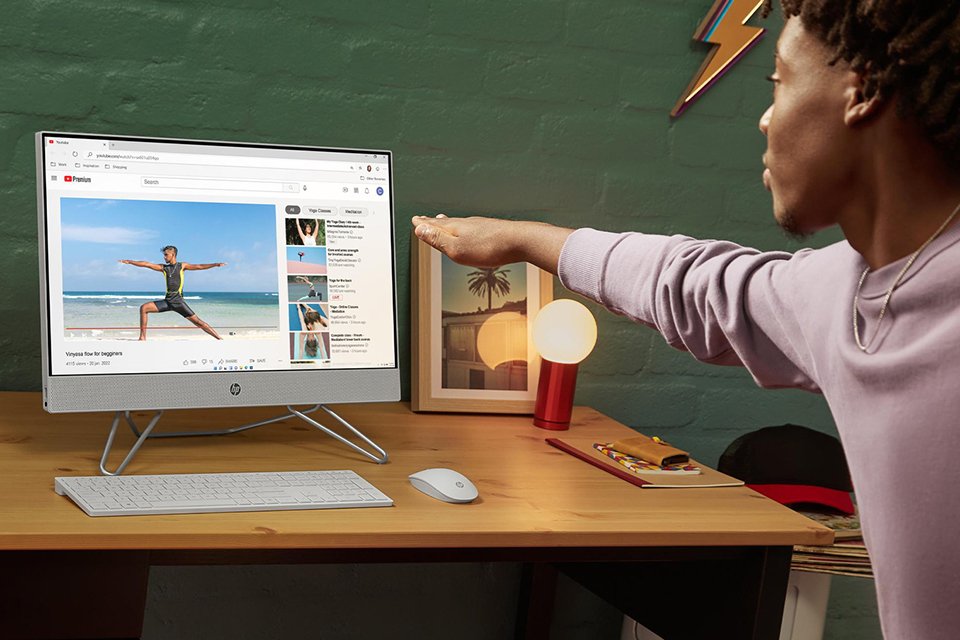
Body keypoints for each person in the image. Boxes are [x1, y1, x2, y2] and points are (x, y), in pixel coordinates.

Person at [411, 3, 960, 639]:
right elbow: (691, 283)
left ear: (860, 90)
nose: (764, 117)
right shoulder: (845, 289)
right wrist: (521, 239)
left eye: (778, 83)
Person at [119, 246, 227, 340]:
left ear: (173, 254)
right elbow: (147, 264)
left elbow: (199, 266)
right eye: (164, 255)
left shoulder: (182, 266)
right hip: (167, 302)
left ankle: (219, 338)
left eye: (166, 255)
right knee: (144, 308)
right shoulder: (164, 268)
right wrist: (130, 261)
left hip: (178, 302)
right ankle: (142, 337)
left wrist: (215, 264)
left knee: (198, 322)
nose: (164, 257)